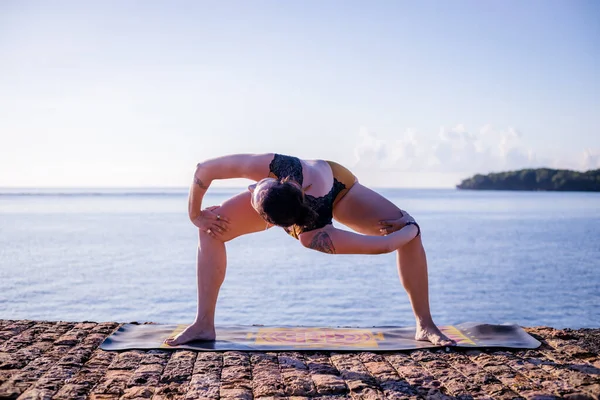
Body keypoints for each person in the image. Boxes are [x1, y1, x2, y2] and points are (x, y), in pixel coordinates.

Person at [165, 153, 455, 347]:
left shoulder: (312, 233)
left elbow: (384, 245)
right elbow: (204, 169)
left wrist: (411, 228)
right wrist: (195, 214)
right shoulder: (276, 172)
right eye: (254, 188)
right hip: (291, 197)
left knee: (404, 229)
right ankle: (203, 324)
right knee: (211, 229)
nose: (252, 186)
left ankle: (425, 325)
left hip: (340, 189)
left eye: (254, 188)